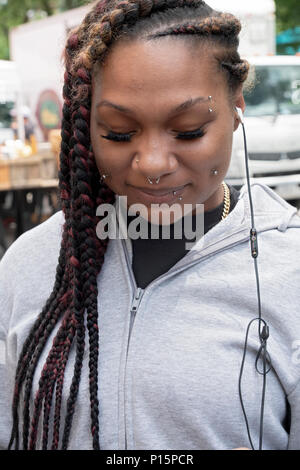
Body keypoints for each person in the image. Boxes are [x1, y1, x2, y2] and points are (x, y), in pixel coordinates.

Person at [0, 0, 300, 451]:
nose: (153, 164)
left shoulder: (289, 270)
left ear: (237, 107)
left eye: (189, 130)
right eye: (119, 133)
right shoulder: (30, 265)